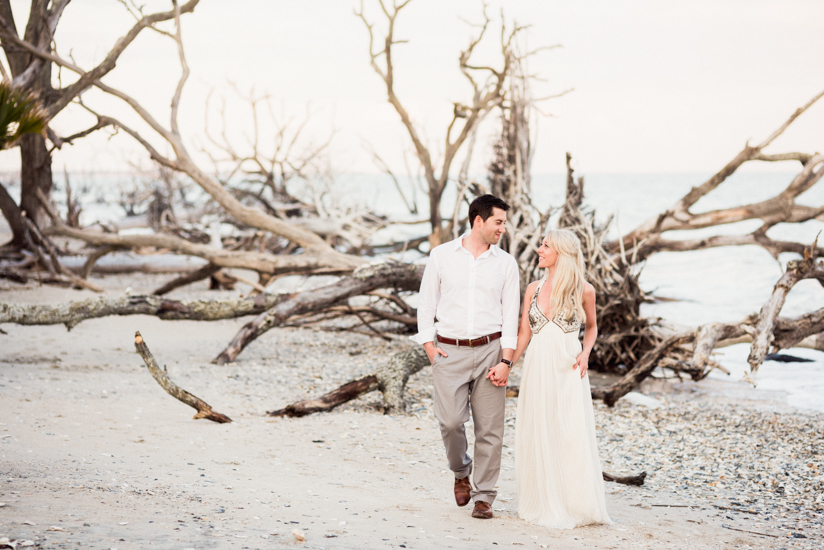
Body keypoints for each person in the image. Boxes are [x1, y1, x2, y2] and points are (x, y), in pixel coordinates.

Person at [411, 194, 520, 520]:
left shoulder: (506, 263)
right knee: (450, 421)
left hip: (490, 351)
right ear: (478, 221)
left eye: (503, 222)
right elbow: (426, 305)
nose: (503, 228)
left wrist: (506, 361)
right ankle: (461, 471)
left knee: (490, 430)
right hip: (449, 351)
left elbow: (511, 317)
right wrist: (429, 347)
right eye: (498, 222)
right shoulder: (442, 255)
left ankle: (484, 496)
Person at [509, 229, 612, 529]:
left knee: (570, 431)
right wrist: (506, 365)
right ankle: (543, 499)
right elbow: (524, 334)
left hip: (569, 366)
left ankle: (574, 503)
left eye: (545, 246)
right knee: (539, 428)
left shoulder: (584, 290)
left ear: (562, 252)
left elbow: (592, 328)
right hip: (538, 366)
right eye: (541, 245)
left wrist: (586, 354)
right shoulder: (532, 288)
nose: (539, 249)